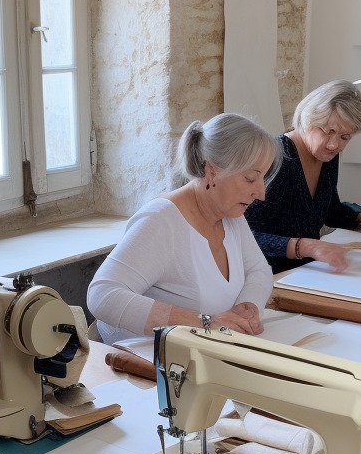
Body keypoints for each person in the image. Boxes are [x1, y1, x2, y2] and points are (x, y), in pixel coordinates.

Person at [87, 113, 280, 345]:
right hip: (140, 363)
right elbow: (102, 295)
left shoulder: (230, 215)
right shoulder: (161, 220)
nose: (261, 193)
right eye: (250, 179)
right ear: (212, 171)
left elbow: (259, 271)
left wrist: (246, 308)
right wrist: (205, 323)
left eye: (262, 179)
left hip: (200, 354)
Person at [244, 80, 361, 274]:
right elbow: (244, 236)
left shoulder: (327, 157)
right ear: (308, 119)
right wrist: (305, 247)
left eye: (345, 137)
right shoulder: (277, 158)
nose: (333, 145)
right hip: (267, 275)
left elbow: (328, 209)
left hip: (305, 271)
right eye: (328, 132)